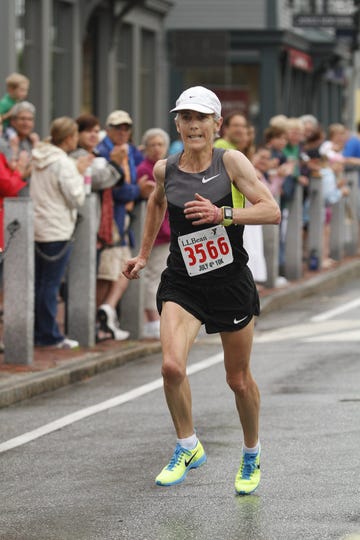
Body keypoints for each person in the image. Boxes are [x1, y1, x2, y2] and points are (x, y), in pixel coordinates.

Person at [123, 86, 280, 494]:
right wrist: (142, 255)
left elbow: (271, 210)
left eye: (201, 118)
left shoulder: (231, 161)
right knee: (171, 367)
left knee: (238, 379)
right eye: (185, 118)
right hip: (182, 280)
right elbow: (156, 204)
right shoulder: (166, 168)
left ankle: (251, 454)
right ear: (177, 123)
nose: (193, 125)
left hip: (228, 282)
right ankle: (187, 445)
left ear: (216, 124)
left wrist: (223, 213)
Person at [30, 116, 93, 349]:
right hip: (57, 228)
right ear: (69, 138)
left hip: (38, 225)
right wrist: (80, 171)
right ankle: (49, 335)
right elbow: (76, 197)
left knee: (38, 283)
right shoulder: (63, 163)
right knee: (51, 284)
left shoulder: (39, 159)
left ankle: (37, 332)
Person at [95, 110, 153, 340]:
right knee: (107, 272)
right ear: (108, 129)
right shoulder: (103, 151)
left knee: (121, 267)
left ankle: (106, 312)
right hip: (108, 219)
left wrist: (139, 189)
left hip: (124, 218)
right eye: (118, 127)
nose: (122, 131)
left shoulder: (131, 151)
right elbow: (115, 189)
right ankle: (99, 318)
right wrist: (137, 191)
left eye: (126, 127)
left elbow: (144, 177)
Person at [136, 128, 171, 339]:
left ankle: (157, 317)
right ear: (146, 148)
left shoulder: (167, 167)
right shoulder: (144, 169)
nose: (157, 148)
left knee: (160, 274)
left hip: (167, 228)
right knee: (152, 276)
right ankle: (151, 319)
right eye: (152, 145)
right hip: (156, 230)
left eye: (160, 144)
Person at [0, 101, 38, 196]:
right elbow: (9, 174)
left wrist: (36, 147)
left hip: (30, 197)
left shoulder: (31, 142)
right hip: (11, 199)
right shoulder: (4, 142)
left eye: (30, 119)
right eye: (22, 119)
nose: (26, 123)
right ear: (13, 121)